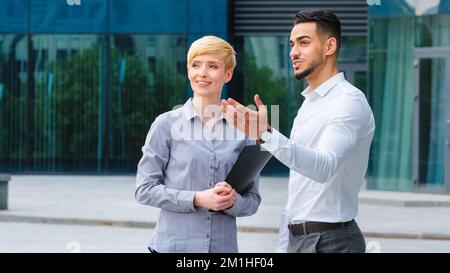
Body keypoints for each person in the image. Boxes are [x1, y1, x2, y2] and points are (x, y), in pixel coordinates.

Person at [221, 10, 375, 253]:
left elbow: (323, 167)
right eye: (292, 44)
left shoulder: (348, 101)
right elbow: (299, 186)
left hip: (332, 241)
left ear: (330, 46)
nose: (293, 52)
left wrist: (266, 135)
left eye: (304, 42)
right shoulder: (309, 103)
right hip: (298, 238)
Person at [135, 35, 261, 253]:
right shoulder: (165, 124)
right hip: (171, 248)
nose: (202, 73)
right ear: (188, 70)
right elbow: (144, 190)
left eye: (212, 66)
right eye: (195, 65)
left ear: (228, 74)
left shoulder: (243, 130)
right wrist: (198, 199)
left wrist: (232, 202)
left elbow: (253, 201)